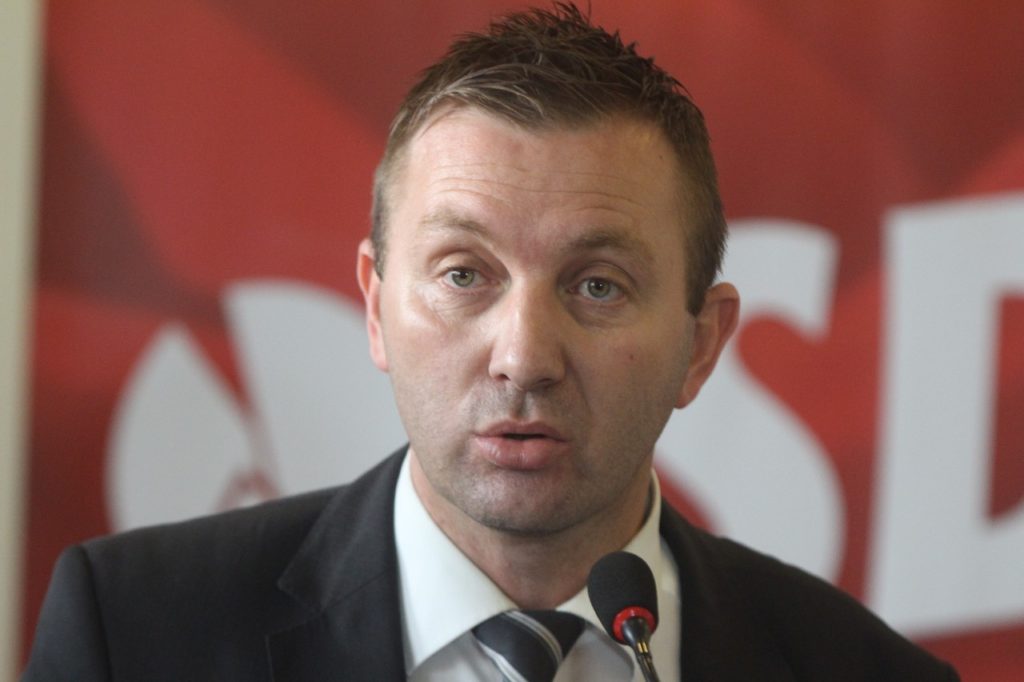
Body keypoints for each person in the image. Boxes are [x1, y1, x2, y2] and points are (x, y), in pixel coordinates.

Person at [24, 4, 958, 680]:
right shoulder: (136, 635)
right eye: (464, 275)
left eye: (598, 285)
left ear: (702, 345)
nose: (524, 357)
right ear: (375, 307)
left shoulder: (862, 670)